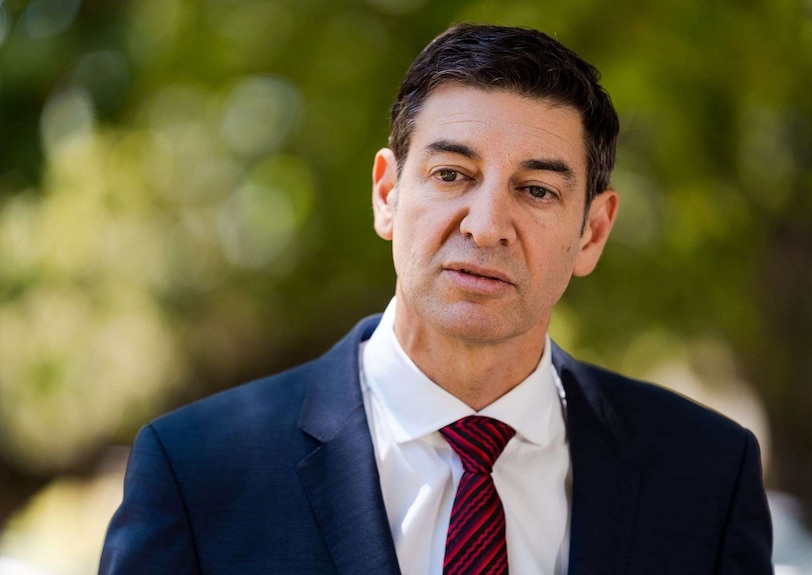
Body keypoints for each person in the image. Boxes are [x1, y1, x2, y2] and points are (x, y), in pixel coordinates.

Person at [99, 23, 773, 574]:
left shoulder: (706, 475)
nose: (485, 225)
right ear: (388, 194)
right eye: (452, 174)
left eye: (536, 189)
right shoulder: (196, 471)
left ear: (592, 231)